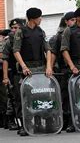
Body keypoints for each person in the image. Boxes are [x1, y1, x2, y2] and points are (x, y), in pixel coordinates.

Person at [12, 8, 54, 136]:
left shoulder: (41, 31)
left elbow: (48, 50)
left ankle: (45, 123)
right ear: (33, 18)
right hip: (28, 70)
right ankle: (27, 125)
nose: (41, 19)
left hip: (41, 68)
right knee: (27, 98)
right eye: (40, 17)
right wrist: (24, 67)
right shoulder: (21, 31)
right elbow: (16, 50)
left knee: (43, 96)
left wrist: (48, 67)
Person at [49, 12, 75, 131]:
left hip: (76, 68)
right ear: (66, 21)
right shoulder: (58, 37)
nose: (74, 22)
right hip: (63, 70)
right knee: (65, 96)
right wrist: (50, 68)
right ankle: (66, 120)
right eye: (72, 20)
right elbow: (53, 54)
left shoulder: (75, 33)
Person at [2, 19, 24, 131]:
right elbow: (5, 59)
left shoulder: (25, 38)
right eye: (13, 28)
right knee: (14, 97)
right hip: (13, 73)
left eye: (17, 28)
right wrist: (5, 77)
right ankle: (12, 120)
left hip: (25, 72)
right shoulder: (9, 41)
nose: (14, 30)